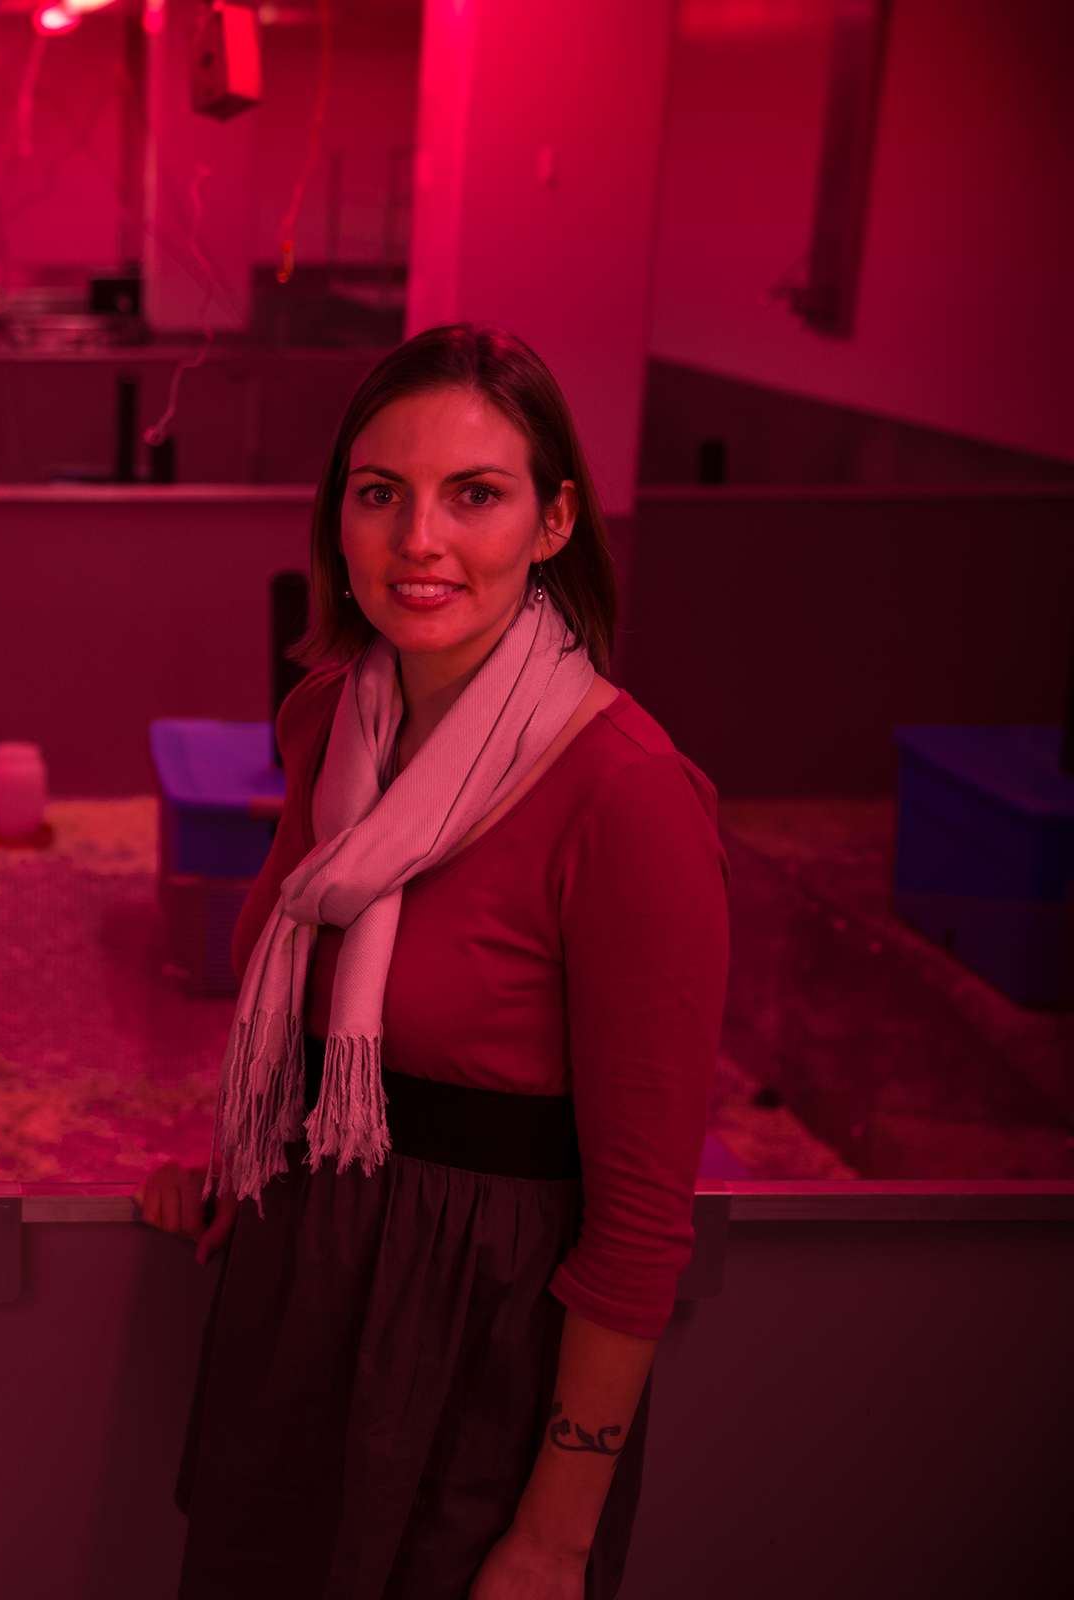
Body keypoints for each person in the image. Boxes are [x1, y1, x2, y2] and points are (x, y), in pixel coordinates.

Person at [138, 323, 728, 1599]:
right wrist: (245, 1160)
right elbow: (307, 1018)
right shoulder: (328, 721)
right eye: (379, 494)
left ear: (555, 520)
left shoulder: (626, 798)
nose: (420, 540)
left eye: (475, 494)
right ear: (337, 523)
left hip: (481, 1344)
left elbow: (638, 1223)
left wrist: (555, 1533)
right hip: (305, 1294)